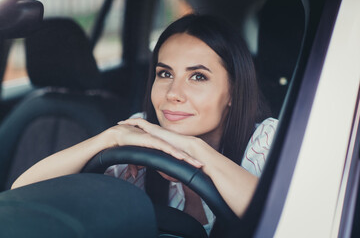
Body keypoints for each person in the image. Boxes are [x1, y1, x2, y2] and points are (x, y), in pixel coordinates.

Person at [11, 14, 278, 234]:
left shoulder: (267, 139)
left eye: (197, 77)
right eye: (165, 73)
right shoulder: (139, 134)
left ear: (232, 91)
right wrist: (109, 138)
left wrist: (196, 150)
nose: (173, 93)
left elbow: (284, 219)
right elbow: (23, 194)